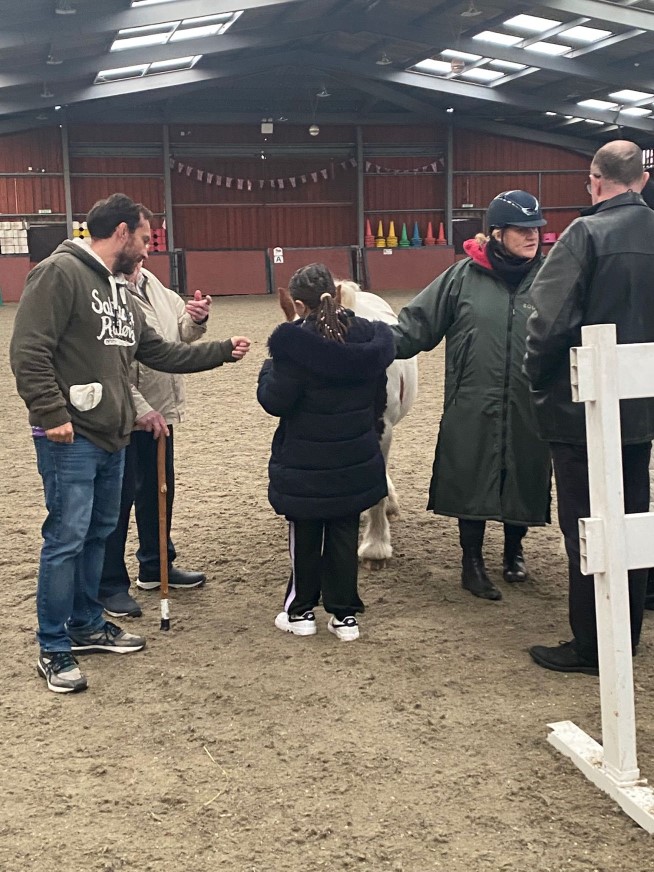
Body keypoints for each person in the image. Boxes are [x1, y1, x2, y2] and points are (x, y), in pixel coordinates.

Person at [10, 193, 251, 693]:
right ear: (121, 232)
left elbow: (158, 351)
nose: (147, 249)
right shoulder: (59, 274)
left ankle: (86, 624)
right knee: (66, 538)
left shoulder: (120, 291)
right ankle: (52, 646)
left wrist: (220, 351)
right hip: (70, 437)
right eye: (144, 238)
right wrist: (52, 414)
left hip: (112, 436)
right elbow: (28, 350)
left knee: (97, 533)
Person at [524, 140, 654, 674]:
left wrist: (535, 375)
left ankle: (593, 644)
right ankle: (629, 632)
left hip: (583, 411)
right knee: (632, 517)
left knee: (585, 524)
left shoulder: (584, 235)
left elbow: (549, 323)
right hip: (642, 409)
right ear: (642, 180)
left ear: (596, 180)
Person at [390, 191, 552, 601]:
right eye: (522, 229)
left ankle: (514, 551)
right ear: (497, 233)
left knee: (524, 469)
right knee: (470, 472)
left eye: (536, 228)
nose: (533, 236)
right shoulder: (461, 277)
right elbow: (415, 326)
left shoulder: (552, 278)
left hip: (529, 399)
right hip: (472, 398)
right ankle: (472, 562)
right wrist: (365, 343)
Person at [257, 263, 394, 641]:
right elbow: (379, 400)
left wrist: (268, 368)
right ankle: (345, 615)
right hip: (354, 456)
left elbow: (274, 401)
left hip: (306, 461)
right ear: (336, 295)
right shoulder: (369, 340)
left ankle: (300, 611)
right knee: (344, 534)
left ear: (299, 305)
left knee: (304, 534)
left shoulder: (294, 346)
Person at [99, 262, 212, 618]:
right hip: (125, 416)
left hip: (161, 412)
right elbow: (111, 364)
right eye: (142, 241)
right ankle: (109, 583)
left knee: (159, 492)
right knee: (118, 501)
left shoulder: (155, 286)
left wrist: (195, 319)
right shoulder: (106, 289)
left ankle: (156, 565)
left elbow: (178, 336)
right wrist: (140, 409)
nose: (145, 252)